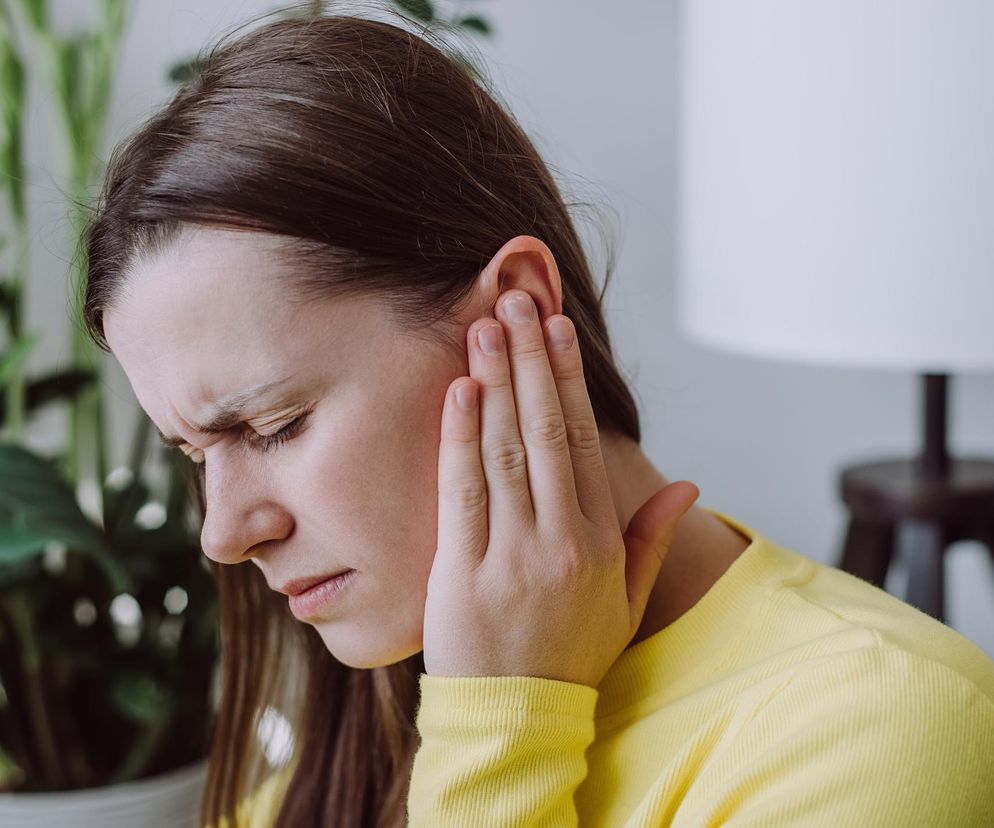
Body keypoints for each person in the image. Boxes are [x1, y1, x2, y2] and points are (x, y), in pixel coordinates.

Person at [81, 7, 994, 828]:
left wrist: (501, 726)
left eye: (275, 425)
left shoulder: (882, 732)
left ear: (509, 311)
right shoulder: (356, 720)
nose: (226, 535)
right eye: (195, 455)